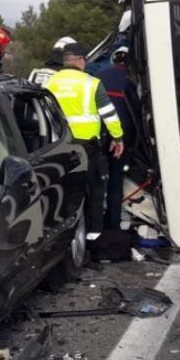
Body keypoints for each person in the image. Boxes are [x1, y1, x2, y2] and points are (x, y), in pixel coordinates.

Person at [45, 42, 124, 246]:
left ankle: (65, 243)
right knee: (95, 194)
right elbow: (109, 114)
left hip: (59, 150)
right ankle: (93, 241)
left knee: (64, 196)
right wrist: (118, 138)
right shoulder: (92, 83)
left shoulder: (50, 83)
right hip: (88, 150)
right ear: (81, 61)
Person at [96, 46, 141, 230]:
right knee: (116, 179)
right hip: (122, 136)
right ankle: (113, 224)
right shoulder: (132, 82)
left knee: (96, 180)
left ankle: (94, 224)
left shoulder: (99, 75)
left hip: (98, 134)